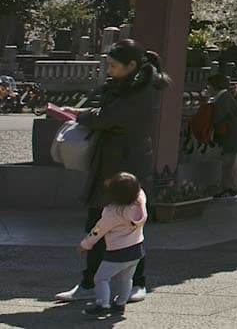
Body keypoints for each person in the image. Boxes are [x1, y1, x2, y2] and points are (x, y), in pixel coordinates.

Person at [56, 39, 167, 304]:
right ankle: (91, 282)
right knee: (101, 222)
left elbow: (109, 117)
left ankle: (134, 282)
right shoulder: (127, 86)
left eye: (114, 66)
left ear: (131, 65)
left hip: (128, 166)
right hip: (112, 162)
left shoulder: (143, 90)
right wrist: (83, 112)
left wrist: (81, 116)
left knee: (128, 224)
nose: (109, 70)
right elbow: (107, 113)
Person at [78, 172, 145, 318]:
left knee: (101, 278)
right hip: (137, 249)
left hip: (117, 253)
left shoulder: (112, 212)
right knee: (126, 278)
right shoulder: (140, 200)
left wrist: (85, 244)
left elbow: (97, 230)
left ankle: (103, 304)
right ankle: (120, 303)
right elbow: (138, 190)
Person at [206, 74, 237, 199]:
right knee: (230, 163)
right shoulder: (226, 97)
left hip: (231, 135)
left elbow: (219, 117)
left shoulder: (223, 98)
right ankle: (229, 188)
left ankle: (230, 189)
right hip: (234, 134)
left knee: (230, 164)